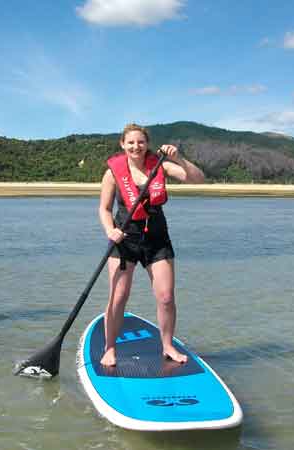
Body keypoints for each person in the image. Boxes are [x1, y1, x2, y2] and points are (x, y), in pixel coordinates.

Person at [98, 123, 205, 366]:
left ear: (147, 144)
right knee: (118, 297)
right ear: (123, 145)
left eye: (141, 142)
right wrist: (109, 230)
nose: (136, 146)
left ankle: (168, 346)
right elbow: (104, 209)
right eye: (131, 142)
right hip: (124, 238)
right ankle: (110, 348)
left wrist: (180, 159)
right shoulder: (112, 172)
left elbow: (198, 180)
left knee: (166, 297)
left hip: (157, 239)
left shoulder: (161, 165)